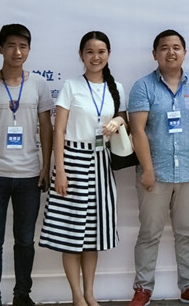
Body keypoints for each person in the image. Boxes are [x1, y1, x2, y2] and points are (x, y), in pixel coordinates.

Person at [39, 31, 127, 306]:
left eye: (101, 51)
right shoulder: (71, 86)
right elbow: (59, 130)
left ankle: (90, 293)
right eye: (90, 52)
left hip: (101, 161)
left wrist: (118, 122)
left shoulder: (116, 87)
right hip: (73, 160)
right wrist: (60, 170)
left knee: (93, 235)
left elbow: (122, 117)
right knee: (71, 233)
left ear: (108, 54)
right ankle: (77, 296)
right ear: (81, 55)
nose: (95, 57)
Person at [128, 29, 189, 306]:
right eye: (164, 48)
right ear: (155, 54)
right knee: (149, 233)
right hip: (155, 173)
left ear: (185, 53)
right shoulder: (143, 87)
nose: (171, 52)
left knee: (186, 233)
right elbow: (137, 131)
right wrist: (147, 169)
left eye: (176, 47)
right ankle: (143, 288)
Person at [0, 24, 54, 306]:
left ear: (29, 50)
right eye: (11, 45)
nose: (17, 52)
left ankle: (22, 295)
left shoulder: (39, 84)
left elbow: (46, 127)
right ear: (0, 49)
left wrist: (46, 166)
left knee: (25, 241)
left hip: (30, 175)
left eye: (23, 46)